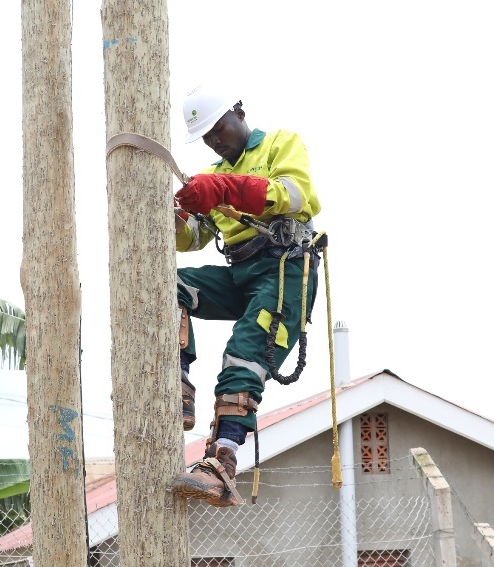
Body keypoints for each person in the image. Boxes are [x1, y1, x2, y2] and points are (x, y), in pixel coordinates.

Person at [170, 81, 322, 507]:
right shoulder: (214, 175)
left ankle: (223, 462)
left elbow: (294, 195)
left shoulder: (279, 144)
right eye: (207, 138)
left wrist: (225, 190)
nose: (216, 141)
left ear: (238, 111)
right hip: (243, 275)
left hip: (285, 270)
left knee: (243, 353)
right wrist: (178, 215)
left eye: (219, 129)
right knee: (170, 285)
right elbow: (195, 235)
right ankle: (178, 383)